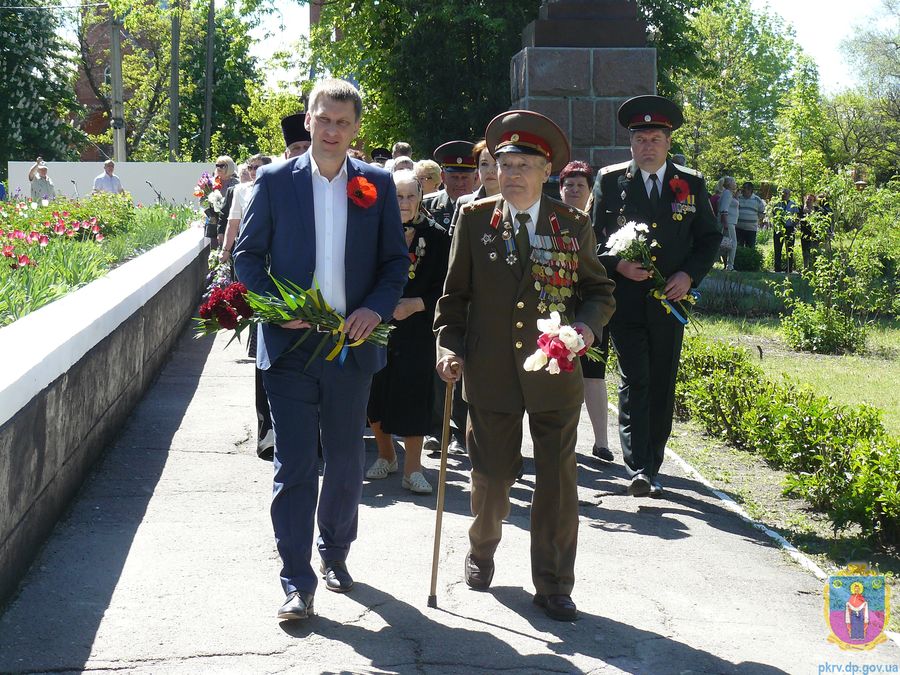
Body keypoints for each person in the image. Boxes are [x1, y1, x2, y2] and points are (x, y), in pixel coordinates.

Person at [234, 78, 409, 622]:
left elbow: (393, 264)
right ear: (308, 120)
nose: (332, 131)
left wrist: (375, 310)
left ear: (356, 129)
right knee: (294, 464)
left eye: (343, 122)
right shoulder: (273, 181)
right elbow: (247, 258)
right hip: (289, 347)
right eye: (323, 119)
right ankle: (295, 579)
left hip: (350, 349)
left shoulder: (376, 184)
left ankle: (335, 554)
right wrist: (273, 309)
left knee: (343, 461)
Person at [435, 110, 615, 621]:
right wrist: (448, 349)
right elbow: (454, 299)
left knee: (558, 484)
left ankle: (554, 583)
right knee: (491, 478)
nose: (511, 174)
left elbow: (598, 292)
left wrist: (584, 329)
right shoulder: (474, 220)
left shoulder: (571, 224)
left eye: (523, 165)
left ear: (546, 172)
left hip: (555, 377)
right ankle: (483, 545)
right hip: (490, 374)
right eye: (505, 163)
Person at [591, 95, 720, 499]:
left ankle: (653, 460)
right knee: (634, 377)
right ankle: (639, 466)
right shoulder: (611, 182)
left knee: (662, 379)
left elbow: (709, 239)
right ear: (630, 143)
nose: (647, 145)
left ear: (668, 143)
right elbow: (593, 240)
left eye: (655, 138)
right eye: (640, 138)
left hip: (670, 302)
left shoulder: (691, 183)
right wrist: (617, 266)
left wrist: (688, 275)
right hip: (625, 302)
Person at [365, 170, 451, 494]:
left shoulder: (440, 236)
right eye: (398, 196)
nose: (404, 202)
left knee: (415, 394)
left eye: (410, 196)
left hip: (418, 329)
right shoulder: (374, 232)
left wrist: (416, 304)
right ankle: (386, 455)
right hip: (377, 325)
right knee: (375, 392)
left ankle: (413, 468)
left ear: (421, 197)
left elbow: (448, 287)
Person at [557, 160, 613, 463]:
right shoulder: (551, 221)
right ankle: (566, 440)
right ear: (560, 189)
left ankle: (602, 442)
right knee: (558, 374)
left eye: (581, 185)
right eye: (569, 185)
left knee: (594, 375)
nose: (574, 190)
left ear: (591, 191)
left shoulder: (600, 223)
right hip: (558, 311)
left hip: (591, 312)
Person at [772, 188, 799, 273]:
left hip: (789, 228)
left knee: (789, 249)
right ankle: (777, 268)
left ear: (789, 195)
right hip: (779, 228)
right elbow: (773, 215)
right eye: (783, 193)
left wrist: (793, 225)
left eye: (786, 194)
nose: (784, 195)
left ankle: (789, 268)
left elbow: (797, 217)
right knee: (777, 248)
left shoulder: (793, 205)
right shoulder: (777, 204)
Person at [716, 176, 739, 271]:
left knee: (725, 245)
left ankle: (726, 265)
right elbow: (724, 209)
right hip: (728, 222)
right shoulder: (727, 193)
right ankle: (730, 266)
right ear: (729, 184)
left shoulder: (728, 193)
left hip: (729, 222)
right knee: (733, 244)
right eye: (734, 182)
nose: (735, 184)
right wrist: (725, 223)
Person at [735, 181, 765, 248]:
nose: (743, 189)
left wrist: (754, 219)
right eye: (743, 188)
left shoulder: (757, 200)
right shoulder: (738, 198)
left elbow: (762, 213)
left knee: (750, 248)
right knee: (739, 248)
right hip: (739, 228)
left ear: (750, 189)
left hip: (751, 229)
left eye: (745, 188)